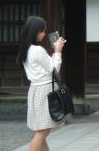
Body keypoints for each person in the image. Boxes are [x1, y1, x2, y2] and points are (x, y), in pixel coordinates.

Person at [17, 15, 66, 151]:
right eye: (42, 31)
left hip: (35, 90)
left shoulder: (26, 49)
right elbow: (54, 69)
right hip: (44, 91)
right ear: (35, 31)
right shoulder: (37, 50)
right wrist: (58, 51)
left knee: (40, 131)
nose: (44, 34)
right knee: (43, 132)